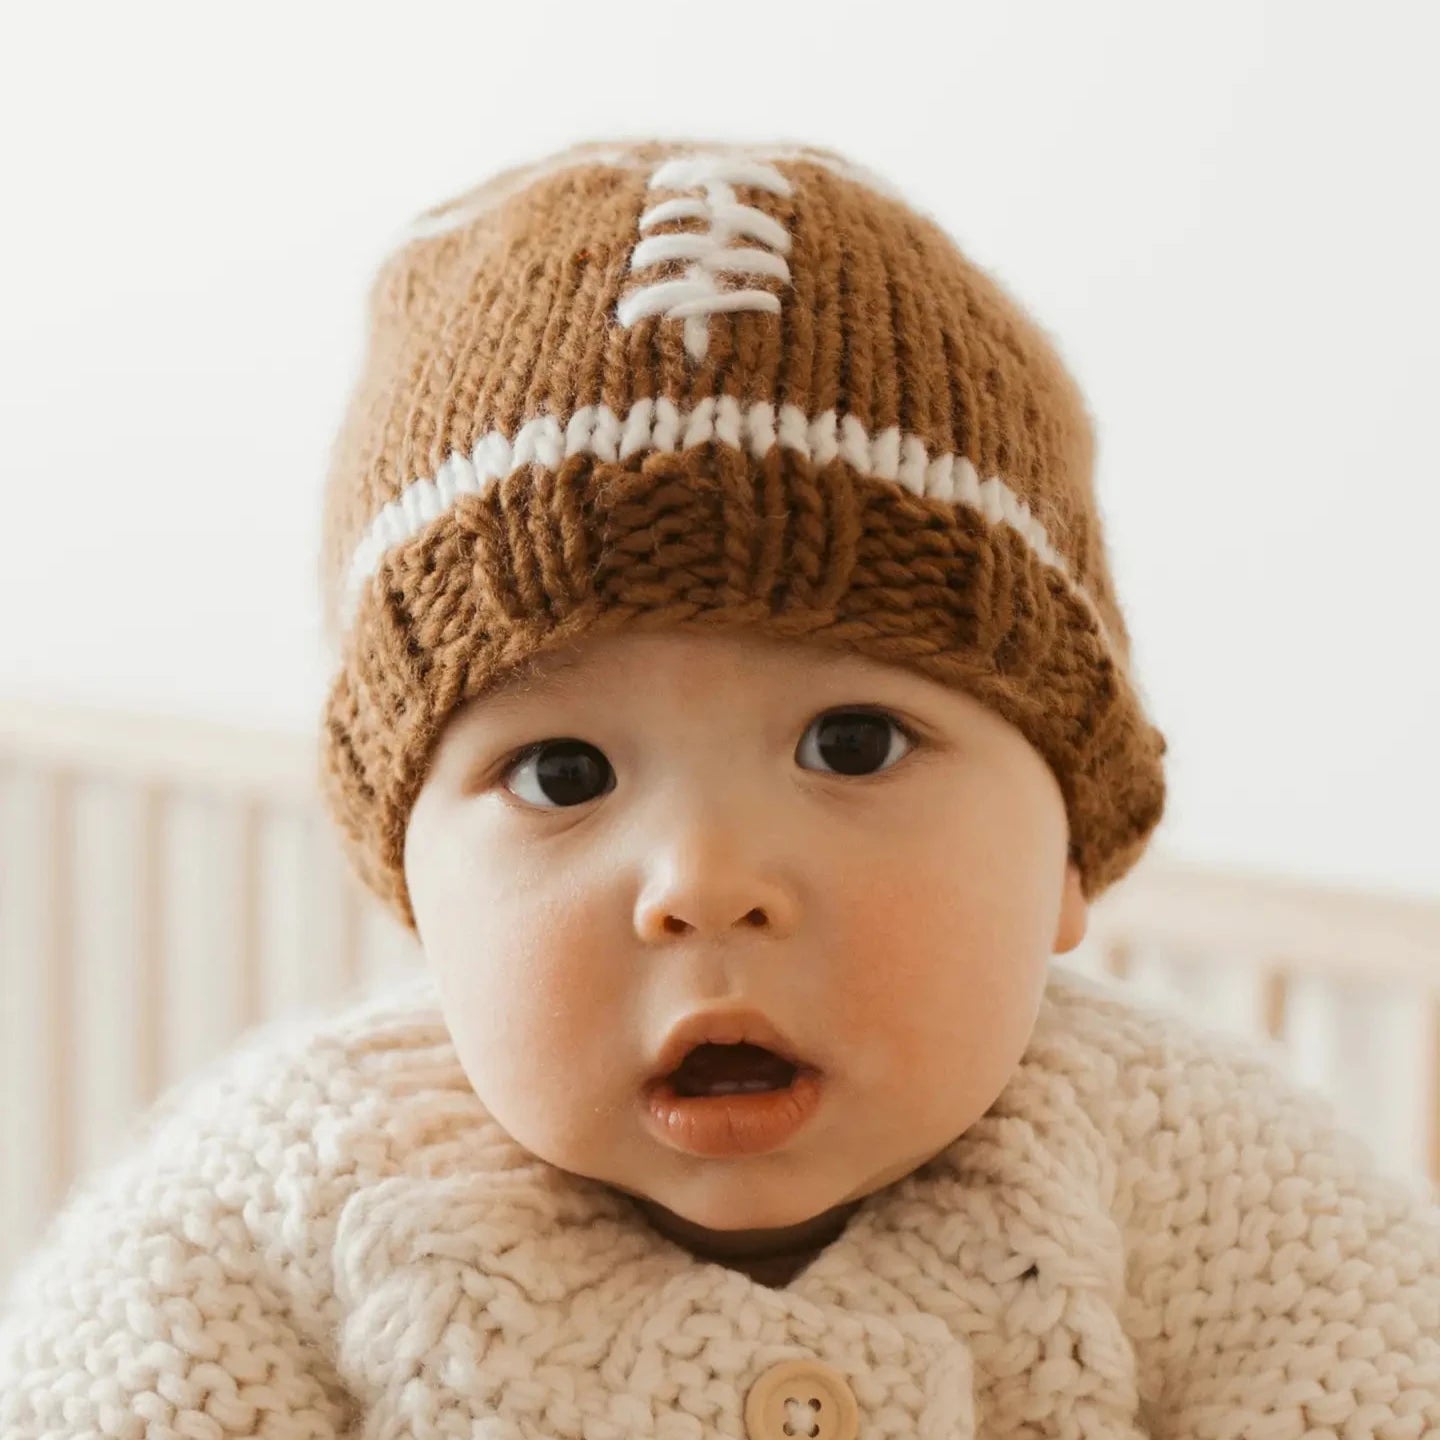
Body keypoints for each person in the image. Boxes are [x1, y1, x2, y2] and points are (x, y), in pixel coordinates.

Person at [2, 136, 1435, 1438]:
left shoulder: (1220, 1190)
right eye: (563, 772)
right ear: (416, 891)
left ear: (1073, 846)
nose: (703, 881)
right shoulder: (249, 1230)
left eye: (853, 744)